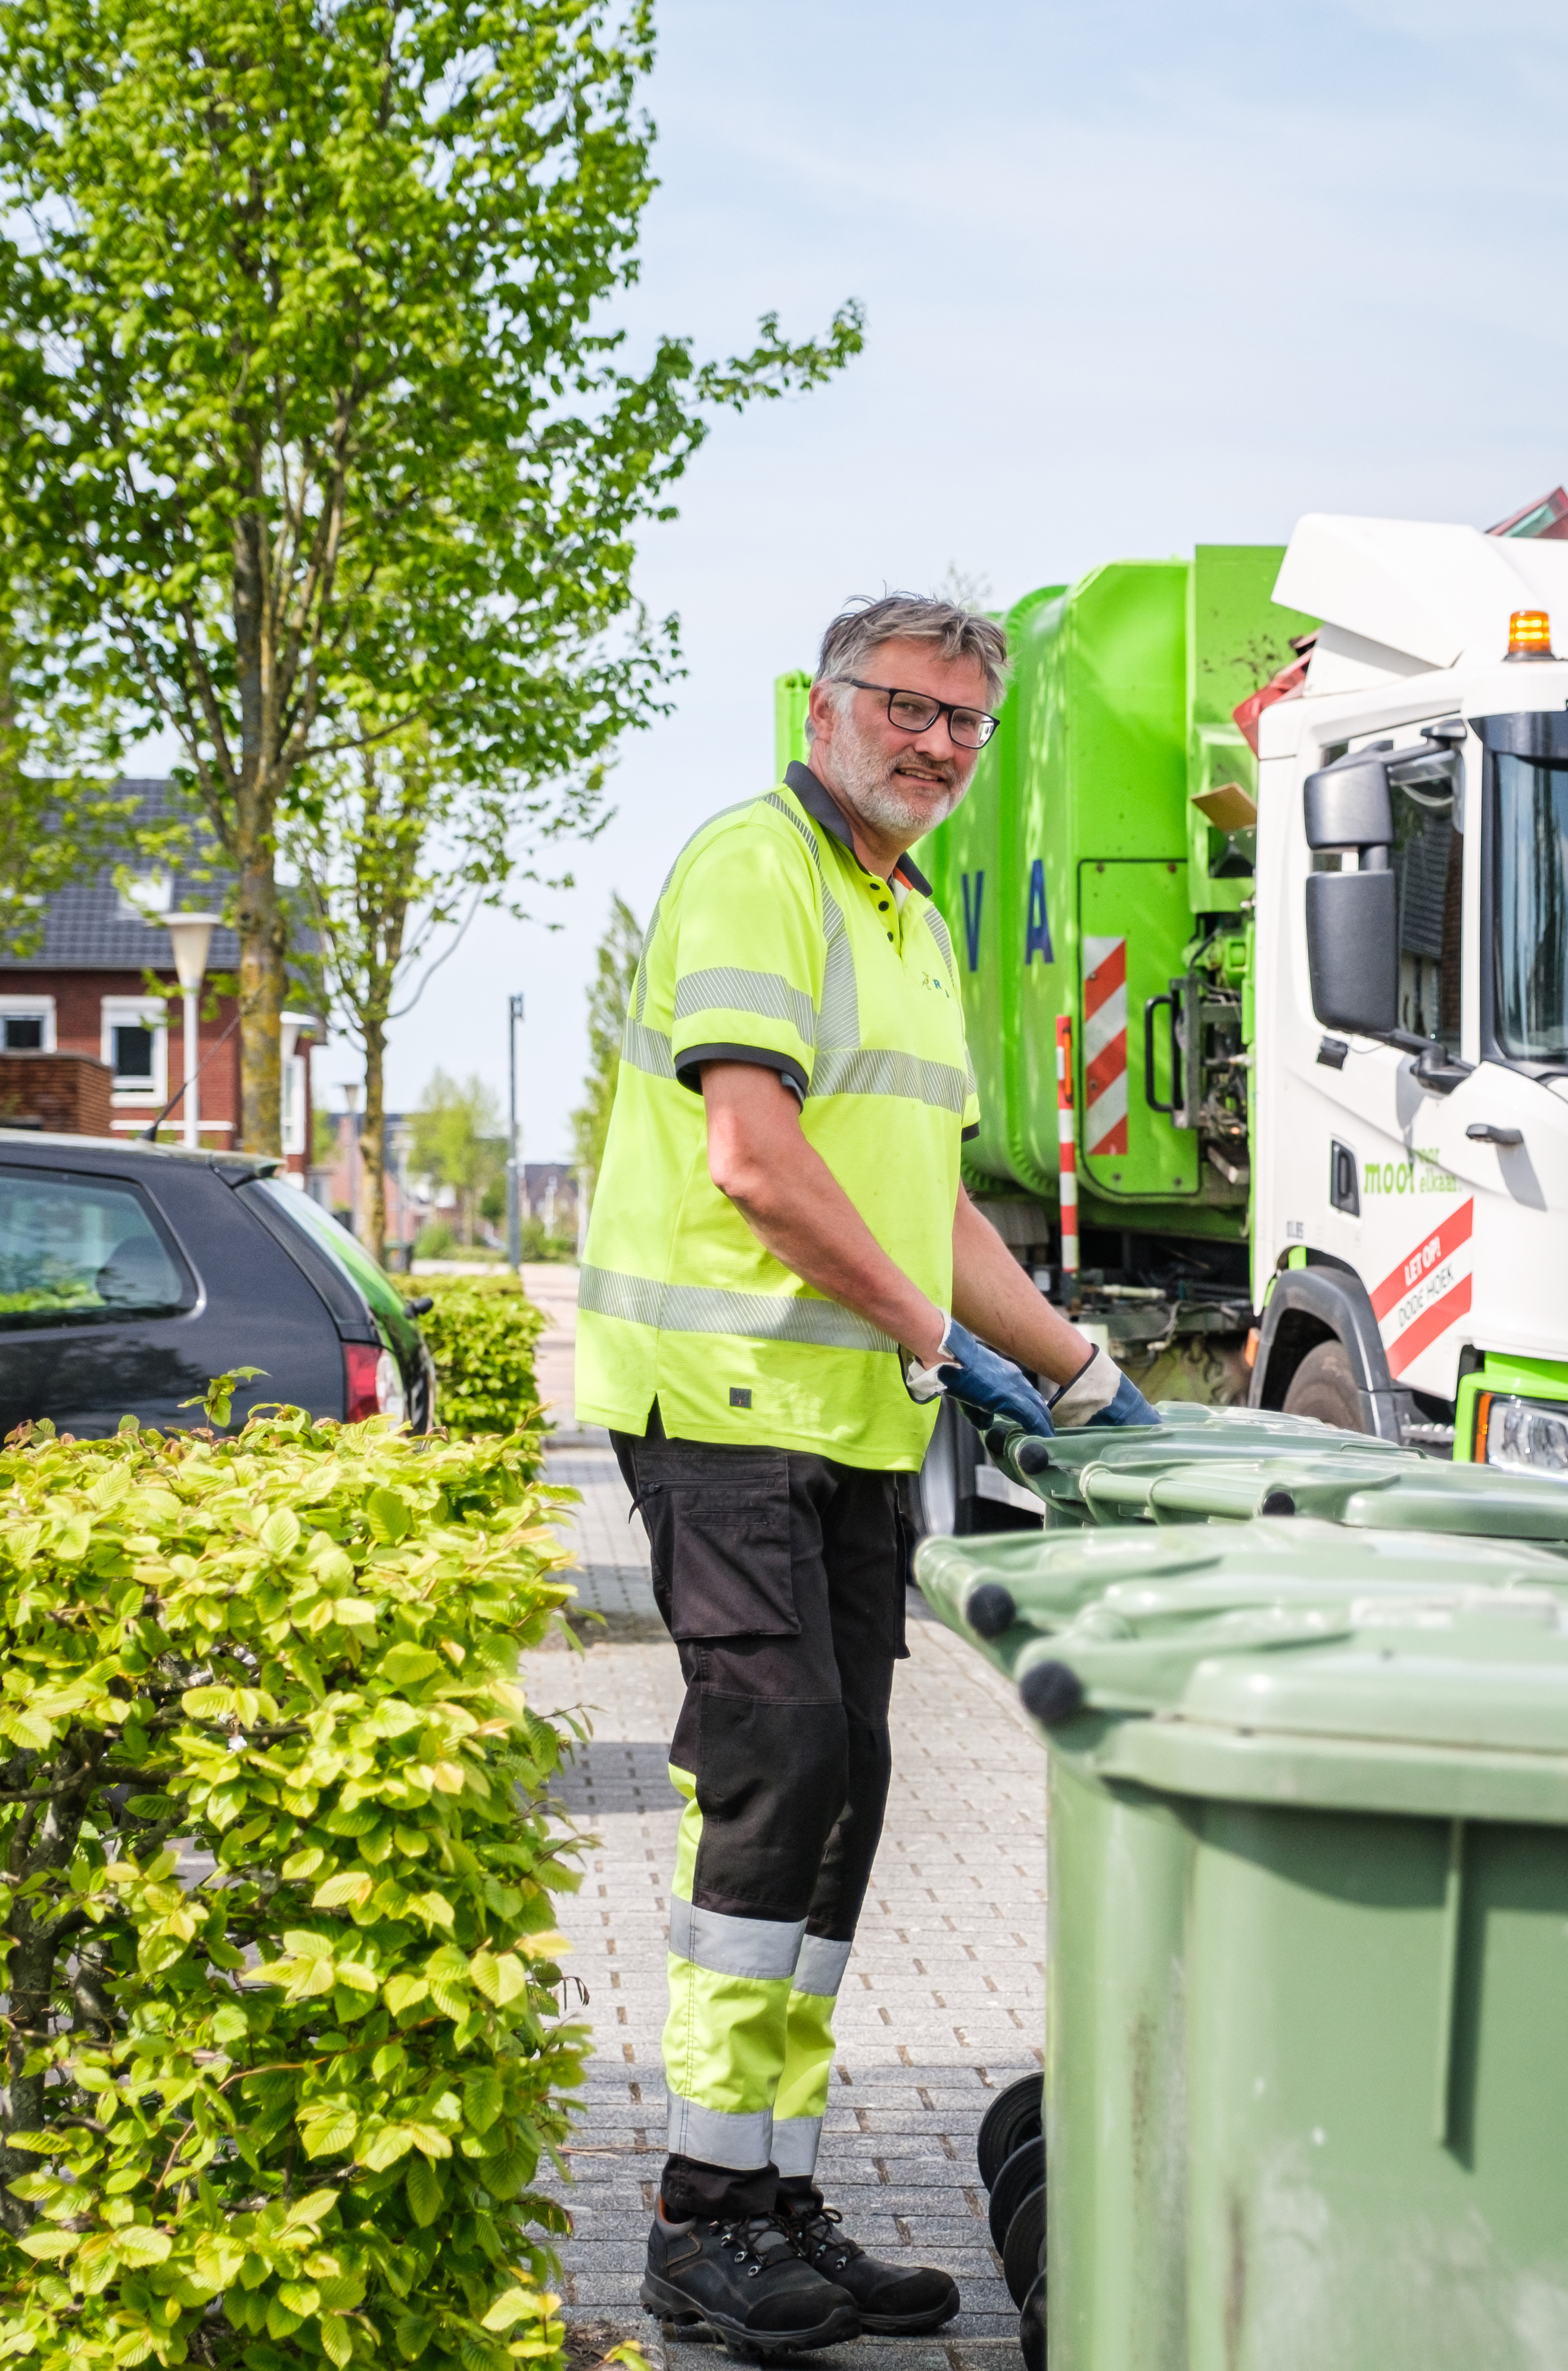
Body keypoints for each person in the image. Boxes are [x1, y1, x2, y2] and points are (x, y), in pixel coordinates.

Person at [570, 592, 1160, 2357]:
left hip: (845, 1429)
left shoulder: (905, 920)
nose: (938, 745)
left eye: (967, 724)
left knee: (851, 1783)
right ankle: (696, 2211)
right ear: (828, 709)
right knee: (778, 1768)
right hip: (725, 1399)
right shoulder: (759, 869)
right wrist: (927, 1327)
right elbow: (753, 1159)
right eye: (908, 709)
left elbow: (933, 1204)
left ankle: (772, 2190)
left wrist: (1076, 1368)